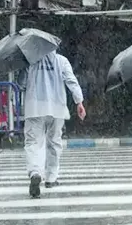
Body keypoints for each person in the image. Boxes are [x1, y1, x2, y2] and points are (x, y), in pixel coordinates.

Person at [23, 51, 86, 198]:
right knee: (54, 142)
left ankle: (35, 173)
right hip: (57, 107)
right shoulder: (62, 61)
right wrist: (79, 102)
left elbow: (22, 82)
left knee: (33, 142)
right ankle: (51, 178)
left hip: (35, 107)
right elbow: (71, 81)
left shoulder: (31, 61)